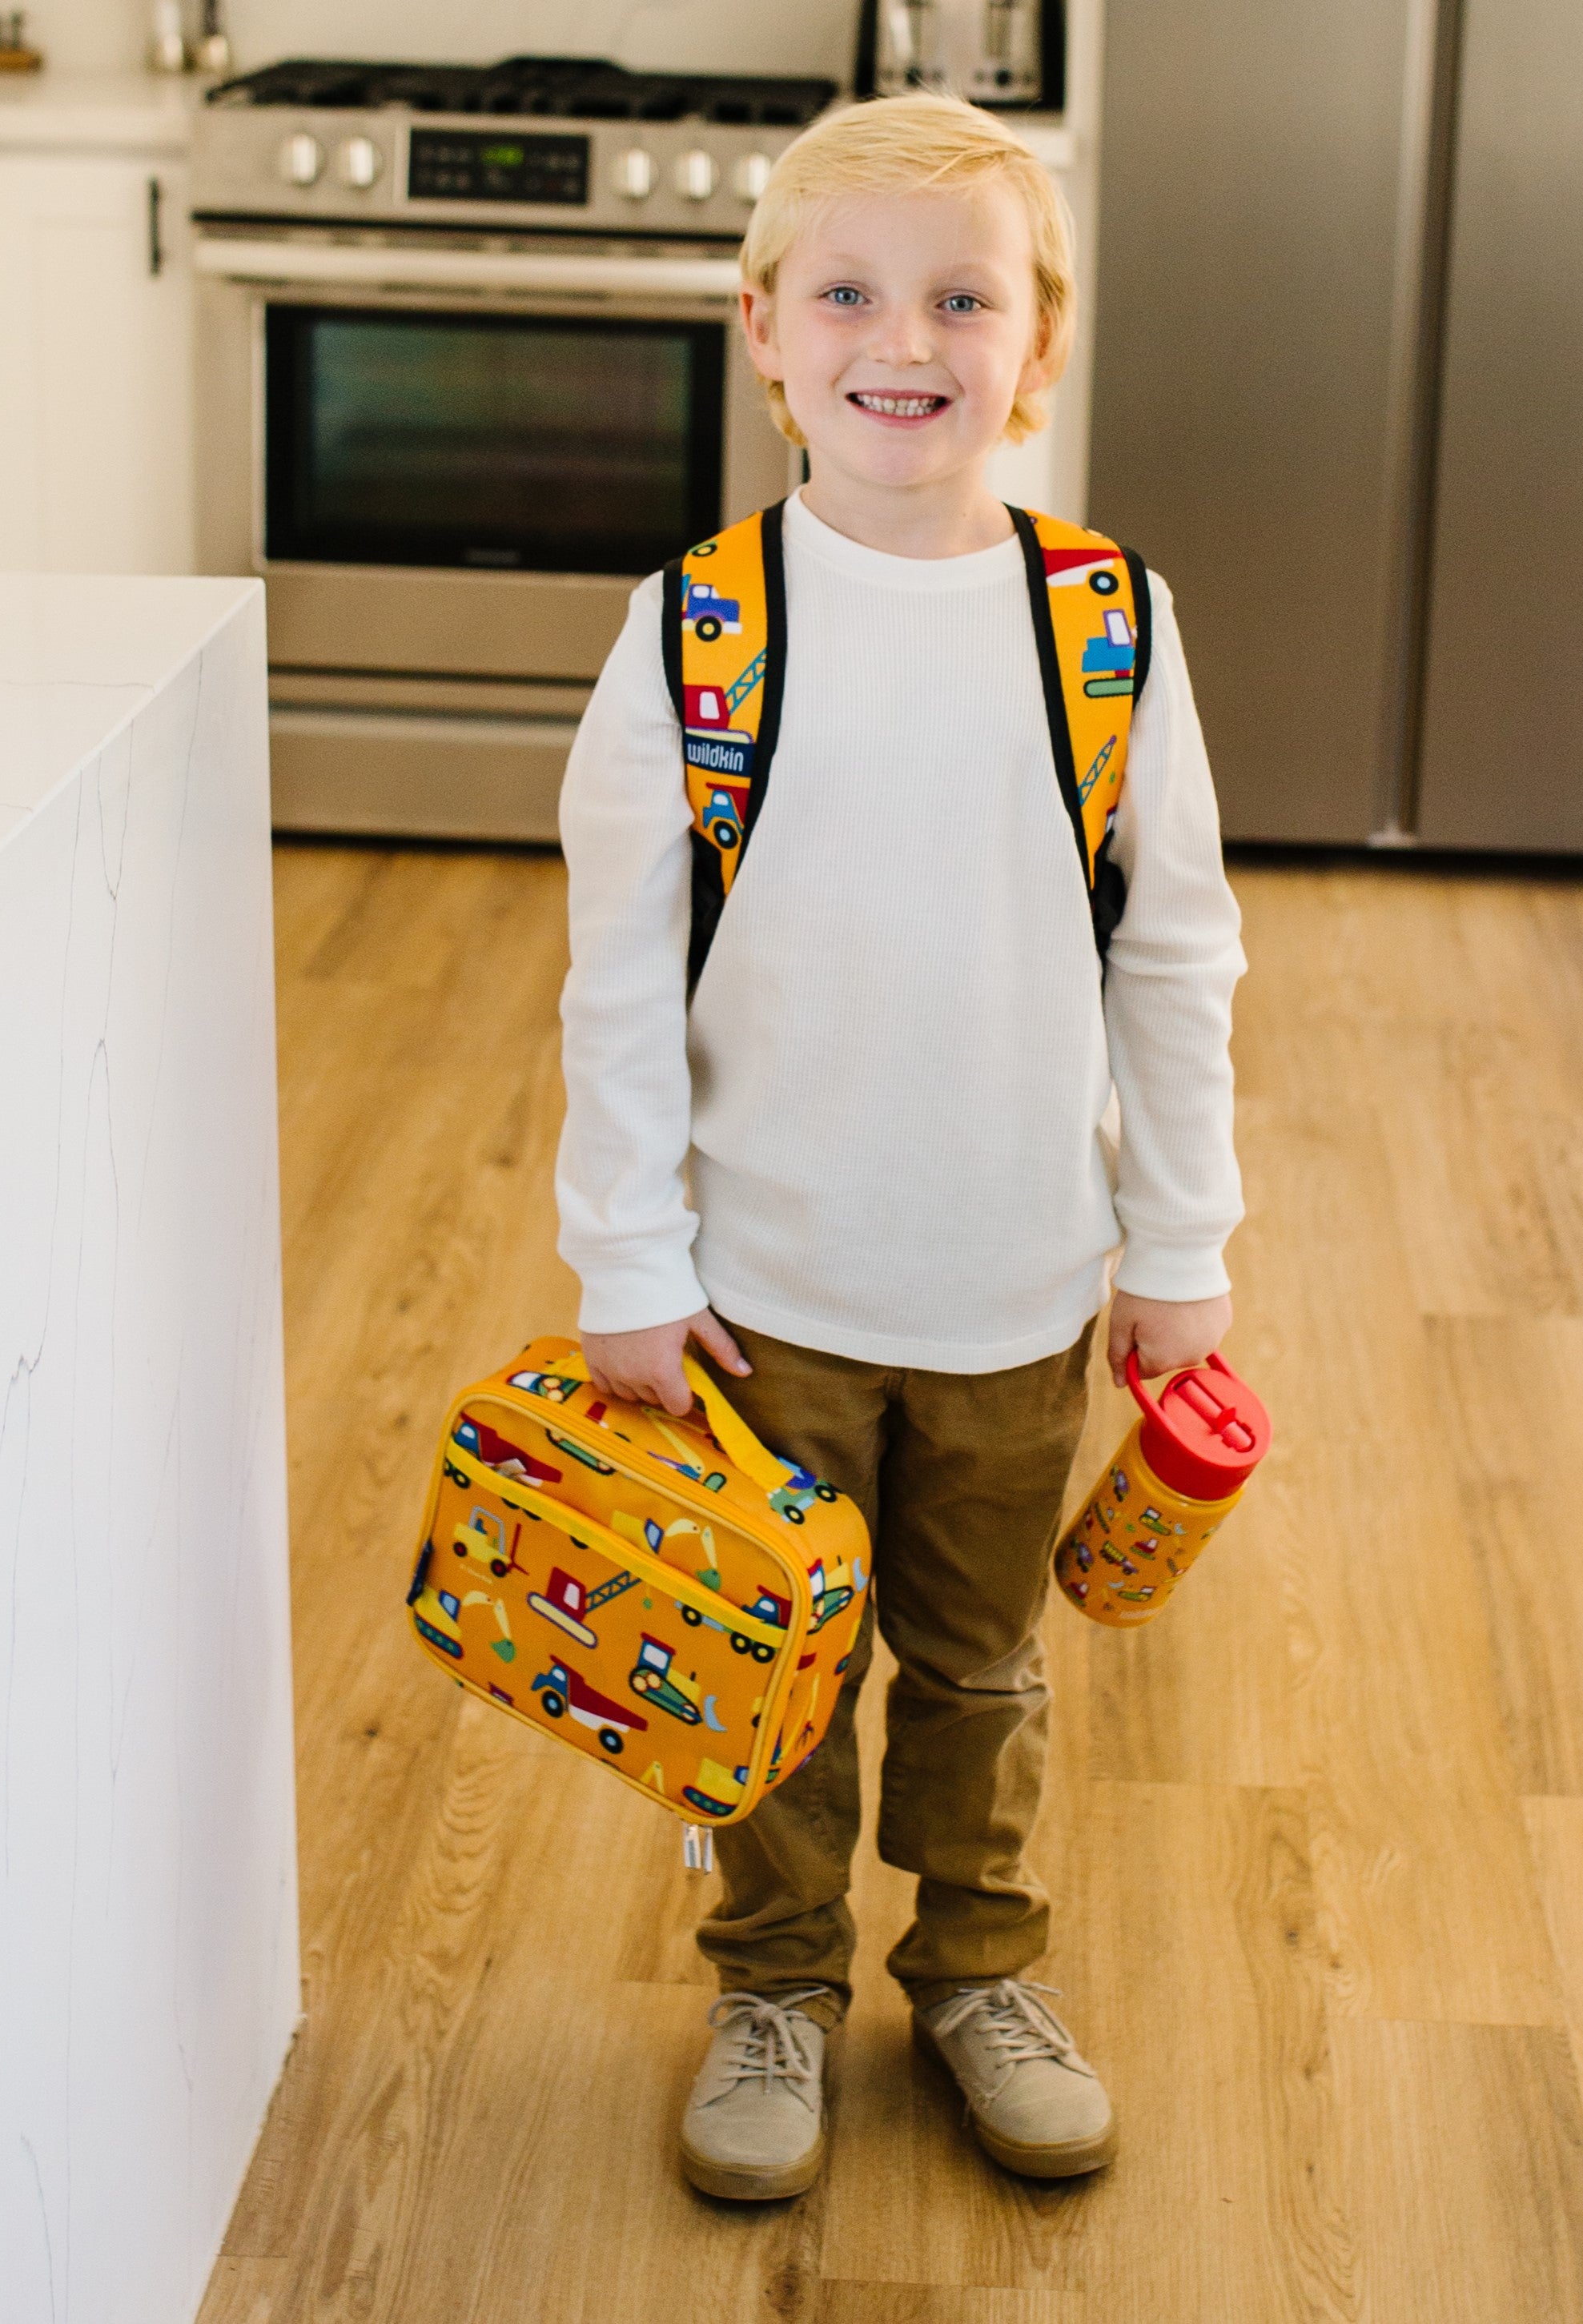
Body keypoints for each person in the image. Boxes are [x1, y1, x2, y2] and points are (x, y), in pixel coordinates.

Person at [554, 90, 1243, 2202]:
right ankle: (772, 1983)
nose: (903, 338)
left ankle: (971, 1967)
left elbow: (1179, 951)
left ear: (1038, 344)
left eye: (964, 296)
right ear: (765, 331)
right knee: (766, 1670)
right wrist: (630, 1269)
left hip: (1024, 1289)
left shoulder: (1104, 623)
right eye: (847, 292)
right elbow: (613, 991)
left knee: (976, 1668)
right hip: (764, 1307)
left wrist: (1180, 1241)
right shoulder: (697, 637)